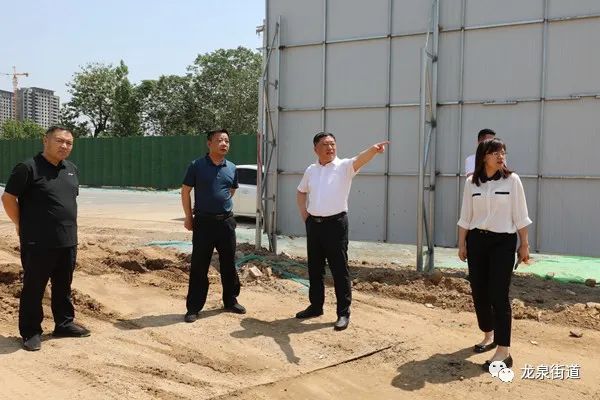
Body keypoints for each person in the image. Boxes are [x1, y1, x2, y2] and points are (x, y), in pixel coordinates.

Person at [1, 126, 90, 351]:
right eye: (59, 141)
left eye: (69, 143)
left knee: (63, 285)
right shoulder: (28, 168)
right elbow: (8, 198)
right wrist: (21, 224)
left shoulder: (71, 169)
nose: (64, 146)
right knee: (34, 287)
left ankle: (64, 324)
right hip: (37, 241)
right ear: (45, 141)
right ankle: (31, 331)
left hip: (68, 239)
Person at [295, 132, 389, 331]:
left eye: (332, 144)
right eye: (325, 144)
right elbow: (301, 191)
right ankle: (315, 306)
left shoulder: (344, 167)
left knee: (339, 269)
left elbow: (360, 159)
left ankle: (343, 313)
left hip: (336, 225)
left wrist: (373, 150)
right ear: (315, 149)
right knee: (315, 268)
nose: (330, 148)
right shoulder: (311, 170)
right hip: (314, 225)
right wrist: (305, 215)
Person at [457, 137, 531, 371]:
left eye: (503, 152)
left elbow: (521, 215)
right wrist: (462, 244)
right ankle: (488, 335)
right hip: (477, 241)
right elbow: (465, 216)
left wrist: (524, 244)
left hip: (503, 243)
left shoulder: (512, 180)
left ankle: (503, 351)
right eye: (495, 152)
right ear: (483, 157)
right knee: (479, 292)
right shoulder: (471, 183)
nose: (501, 156)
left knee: (498, 294)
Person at [181, 129, 245, 323]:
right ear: (209, 143)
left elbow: (231, 190)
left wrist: (221, 205)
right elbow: (185, 191)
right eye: (219, 140)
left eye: (227, 140)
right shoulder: (197, 166)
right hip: (203, 223)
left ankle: (230, 300)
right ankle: (194, 307)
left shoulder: (231, 167)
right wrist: (188, 217)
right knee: (199, 265)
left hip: (226, 223)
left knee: (228, 263)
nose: (224, 144)